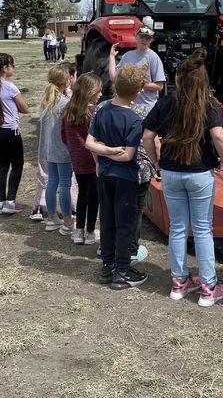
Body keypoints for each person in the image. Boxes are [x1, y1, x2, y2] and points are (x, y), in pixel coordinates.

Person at [142, 48, 223, 307]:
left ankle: (179, 283)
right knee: (203, 229)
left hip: (170, 172)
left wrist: (156, 161)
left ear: (178, 79)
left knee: (178, 228)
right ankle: (208, 286)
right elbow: (218, 135)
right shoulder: (209, 104)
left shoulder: (166, 102)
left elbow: (148, 136)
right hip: (200, 173)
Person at [85, 65, 148, 290]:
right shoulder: (135, 117)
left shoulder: (101, 109)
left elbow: (89, 143)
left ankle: (107, 267)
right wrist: (114, 151)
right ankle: (122, 270)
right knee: (125, 225)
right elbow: (128, 155)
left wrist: (104, 152)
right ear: (138, 91)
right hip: (126, 178)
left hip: (104, 174)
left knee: (108, 220)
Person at [31, 63, 78, 221]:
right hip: (62, 150)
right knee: (65, 184)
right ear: (66, 82)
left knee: (52, 182)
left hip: (47, 149)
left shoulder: (47, 99)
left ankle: (52, 218)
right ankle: (67, 218)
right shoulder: (65, 103)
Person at [0, 53, 29, 214]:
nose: (13, 68)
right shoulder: (10, 87)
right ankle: (11, 202)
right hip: (9, 131)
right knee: (17, 164)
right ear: (5, 68)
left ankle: (0, 202)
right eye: (12, 65)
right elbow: (25, 108)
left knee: (2, 164)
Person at [62, 72, 102, 245]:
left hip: (76, 159)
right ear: (90, 91)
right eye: (98, 91)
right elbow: (97, 138)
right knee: (94, 197)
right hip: (93, 161)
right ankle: (91, 232)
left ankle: (79, 230)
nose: (101, 94)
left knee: (82, 195)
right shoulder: (92, 113)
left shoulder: (67, 111)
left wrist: (73, 148)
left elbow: (63, 136)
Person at [108, 26, 166, 112]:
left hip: (146, 107)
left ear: (151, 41)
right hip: (127, 106)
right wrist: (112, 56)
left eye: (147, 38)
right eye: (142, 37)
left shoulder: (153, 57)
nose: (144, 40)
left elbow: (159, 86)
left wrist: (135, 83)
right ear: (136, 37)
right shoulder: (127, 56)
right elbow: (114, 78)